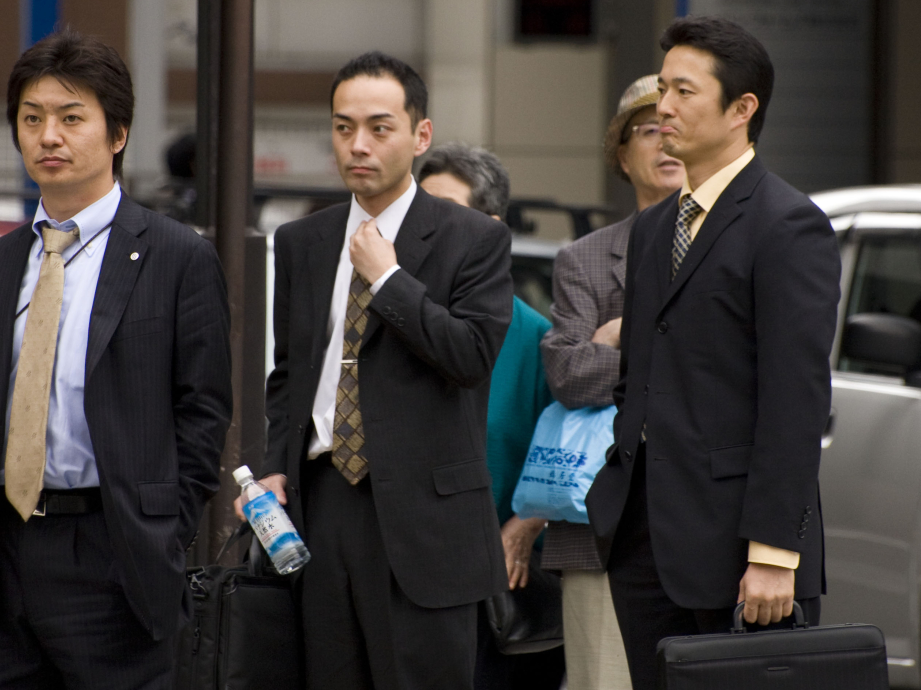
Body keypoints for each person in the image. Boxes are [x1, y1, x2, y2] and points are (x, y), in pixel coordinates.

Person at [0, 30, 232, 689]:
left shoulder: (175, 257)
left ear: (117, 134)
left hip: (113, 553)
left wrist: (159, 530)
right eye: (32, 118)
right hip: (0, 559)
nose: (50, 137)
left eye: (72, 119)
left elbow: (204, 411)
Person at [240, 53, 514, 689]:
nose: (357, 145)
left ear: (420, 136)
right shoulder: (303, 240)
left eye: (379, 128)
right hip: (322, 501)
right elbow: (291, 375)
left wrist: (388, 279)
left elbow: (471, 357)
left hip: (425, 519)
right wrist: (275, 467)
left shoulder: (472, 238)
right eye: (343, 128)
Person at [584, 16, 841, 690]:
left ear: (741, 110)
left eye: (684, 91)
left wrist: (774, 552)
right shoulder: (652, 228)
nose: (663, 107)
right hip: (641, 538)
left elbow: (796, 402)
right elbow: (636, 379)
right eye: (662, 88)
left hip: (740, 552)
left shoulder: (788, 225)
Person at [539, 74, 685, 690]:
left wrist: (625, 338)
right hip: (601, 517)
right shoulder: (586, 258)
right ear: (622, 156)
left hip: (702, 514)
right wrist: (667, 357)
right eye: (647, 131)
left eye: (674, 126)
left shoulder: (737, 245)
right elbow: (569, 373)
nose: (665, 141)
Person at [419, 143, 565, 690]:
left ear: (493, 230)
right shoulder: (387, 317)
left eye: (445, 214)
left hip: (501, 587)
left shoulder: (535, 338)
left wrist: (526, 525)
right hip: (403, 580)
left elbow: (568, 456)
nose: (426, 231)